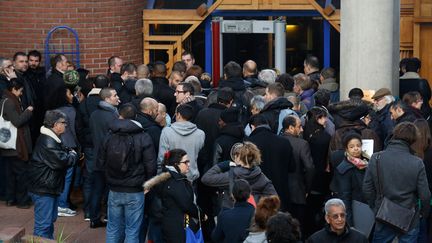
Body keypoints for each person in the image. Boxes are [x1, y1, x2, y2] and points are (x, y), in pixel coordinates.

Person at [363, 122, 431, 242]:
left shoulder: (377, 158)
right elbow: (425, 195)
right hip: (410, 216)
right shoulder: (417, 162)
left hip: (383, 214)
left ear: (395, 134)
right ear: (413, 139)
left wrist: (375, 207)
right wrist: (423, 214)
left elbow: (367, 188)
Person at [101, 104, 157, 243]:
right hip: (135, 189)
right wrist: (148, 184)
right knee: (132, 230)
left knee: (113, 227)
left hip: (114, 188)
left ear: (120, 116)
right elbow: (151, 165)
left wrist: (108, 179)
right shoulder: (143, 136)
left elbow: (101, 162)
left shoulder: (109, 135)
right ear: (136, 117)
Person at [27, 110, 78, 239]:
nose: (66, 125)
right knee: (43, 225)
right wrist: (73, 154)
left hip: (47, 187)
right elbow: (63, 160)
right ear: (56, 125)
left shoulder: (52, 138)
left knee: (48, 222)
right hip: (43, 189)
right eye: (64, 123)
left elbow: (63, 152)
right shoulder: (48, 141)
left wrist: (69, 153)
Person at [143, 149, 201, 243]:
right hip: (176, 229)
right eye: (186, 162)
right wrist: (201, 215)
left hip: (164, 225)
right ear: (176, 164)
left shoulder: (162, 179)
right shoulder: (177, 182)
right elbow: (187, 205)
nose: (189, 165)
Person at [201, 141, 277, 210]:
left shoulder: (232, 175)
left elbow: (206, 178)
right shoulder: (260, 176)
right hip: (253, 217)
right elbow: (274, 199)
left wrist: (223, 165)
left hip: (232, 215)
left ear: (239, 158)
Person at [247, 115, 295, 211]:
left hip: (258, 196)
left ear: (252, 126)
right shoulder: (284, 142)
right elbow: (292, 167)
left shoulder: (249, 144)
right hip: (281, 194)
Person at [0, 78, 33, 208]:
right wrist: (28, 111)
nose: (21, 94)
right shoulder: (9, 102)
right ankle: (22, 201)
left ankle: (10, 198)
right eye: (20, 91)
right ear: (14, 89)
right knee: (21, 174)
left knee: (10, 174)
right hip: (15, 146)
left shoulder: (4, 100)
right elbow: (18, 121)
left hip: (8, 145)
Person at [281, 115, 315, 228]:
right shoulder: (302, 144)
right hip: (298, 191)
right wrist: (307, 188)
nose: (302, 129)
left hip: (278, 191)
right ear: (290, 128)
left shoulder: (276, 142)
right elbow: (310, 167)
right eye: (299, 126)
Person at [158, 104, 205, 183]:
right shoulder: (200, 134)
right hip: (191, 177)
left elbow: (162, 157)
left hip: (171, 177)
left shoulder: (167, 132)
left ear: (178, 115)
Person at [333, 133, 369, 226]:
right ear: (346, 149)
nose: (356, 149)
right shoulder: (344, 169)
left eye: (358, 145)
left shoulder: (367, 163)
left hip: (367, 208)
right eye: (352, 147)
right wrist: (349, 224)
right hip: (355, 209)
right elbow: (345, 197)